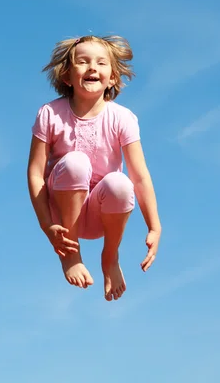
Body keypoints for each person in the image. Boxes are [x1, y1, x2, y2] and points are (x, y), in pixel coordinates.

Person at [27, 34, 161, 301]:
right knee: (76, 162)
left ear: (112, 77)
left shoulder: (122, 118)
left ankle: (110, 256)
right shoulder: (50, 114)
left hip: (102, 214)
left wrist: (154, 226)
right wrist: (47, 226)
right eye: (83, 62)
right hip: (64, 215)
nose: (92, 68)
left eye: (101, 63)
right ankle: (71, 252)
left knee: (120, 182)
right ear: (67, 76)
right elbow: (35, 172)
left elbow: (139, 175)